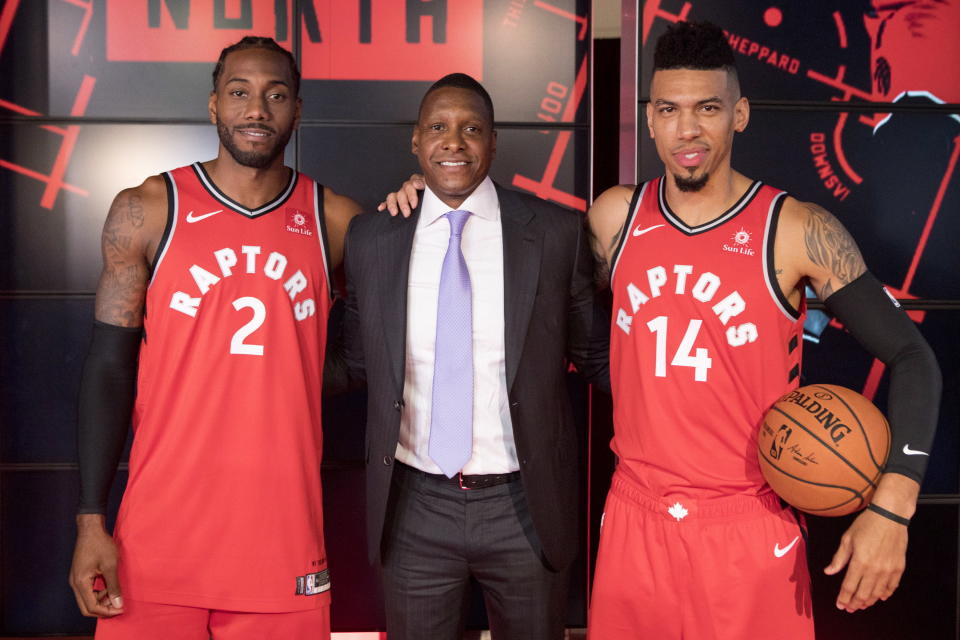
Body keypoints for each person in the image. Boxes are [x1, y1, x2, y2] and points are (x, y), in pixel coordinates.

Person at [584, 21, 941, 639]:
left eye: (708, 109)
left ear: (740, 114)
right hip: (634, 520)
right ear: (648, 118)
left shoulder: (796, 229)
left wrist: (893, 506)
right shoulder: (615, 217)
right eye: (668, 109)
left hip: (746, 525)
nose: (686, 130)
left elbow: (912, 356)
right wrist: (430, 198)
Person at [67, 36, 360, 639]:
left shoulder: (337, 223)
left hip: (282, 545)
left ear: (297, 111)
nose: (257, 109)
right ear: (213, 106)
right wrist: (91, 520)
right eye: (240, 93)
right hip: (157, 543)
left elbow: (374, 351)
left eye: (276, 95)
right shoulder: (148, 209)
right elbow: (109, 369)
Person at [325, 73, 608, 640]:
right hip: (414, 507)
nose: (453, 143)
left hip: (524, 505)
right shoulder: (374, 237)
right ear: (415, 141)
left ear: (493, 142)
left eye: (471, 129)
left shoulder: (554, 233)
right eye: (438, 127)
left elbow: (597, 357)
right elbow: (354, 363)